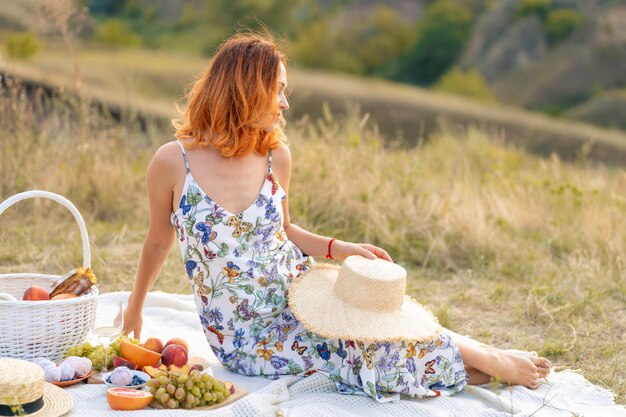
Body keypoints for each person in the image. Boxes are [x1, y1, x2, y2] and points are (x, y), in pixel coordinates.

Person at [123, 33, 551, 402]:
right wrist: (134, 313)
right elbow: (158, 241)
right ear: (245, 89)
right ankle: (488, 362)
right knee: (363, 359)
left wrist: (338, 248)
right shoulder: (172, 163)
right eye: (278, 89)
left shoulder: (275, 155)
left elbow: (285, 230)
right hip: (248, 338)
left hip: (300, 292)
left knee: (377, 330)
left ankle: (484, 358)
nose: (286, 102)